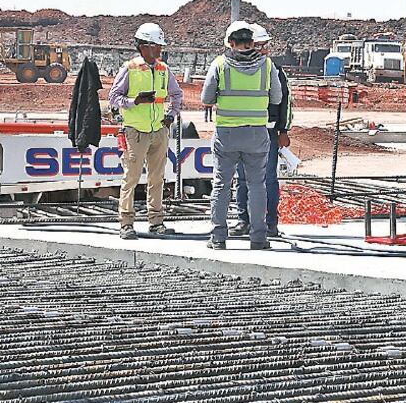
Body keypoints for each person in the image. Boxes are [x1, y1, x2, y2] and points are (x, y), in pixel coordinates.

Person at [201, 21, 282, 250]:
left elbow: (206, 99)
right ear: (252, 42)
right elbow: (276, 98)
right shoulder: (267, 65)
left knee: (221, 185)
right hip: (256, 133)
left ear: (230, 43)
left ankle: (218, 238)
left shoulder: (220, 64)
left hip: (227, 133)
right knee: (257, 185)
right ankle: (258, 238)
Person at [108, 23, 183, 240]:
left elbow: (176, 94)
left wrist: (170, 116)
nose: (160, 50)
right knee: (131, 178)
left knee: (157, 178)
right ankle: (126, 223)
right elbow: (114, 97)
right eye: (156, 45)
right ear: (144, 46)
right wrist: (135, 101)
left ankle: (156, 221)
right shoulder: (129, 68)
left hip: (158, 131)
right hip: (136, 133)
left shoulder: (163, 70)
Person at [230, 23, 293, 238]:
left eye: (266, 45)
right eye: (260, 46)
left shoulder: (274, 69)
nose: (264, 50)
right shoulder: (235, 68)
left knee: (268, 179)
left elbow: (284, 101)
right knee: (243, 178)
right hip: (243, 129)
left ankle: (270, 223)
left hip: (267, 132)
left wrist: (283, 129)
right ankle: (244, 220)